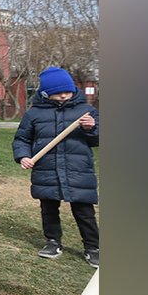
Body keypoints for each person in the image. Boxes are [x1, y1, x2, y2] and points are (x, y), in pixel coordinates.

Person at [12, 67, 100, 268]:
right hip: (46, 168)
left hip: (78, 170)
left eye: (67, 91)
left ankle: (93, 247)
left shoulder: (86, 111)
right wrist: (23, 156)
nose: (63, 95)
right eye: (58, 92)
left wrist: (90, 128)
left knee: (84, 210)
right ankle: (53, 242)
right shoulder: (34, 114)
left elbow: (97, 140)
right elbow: (22, 138)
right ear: (46, 93)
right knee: (49, 208)